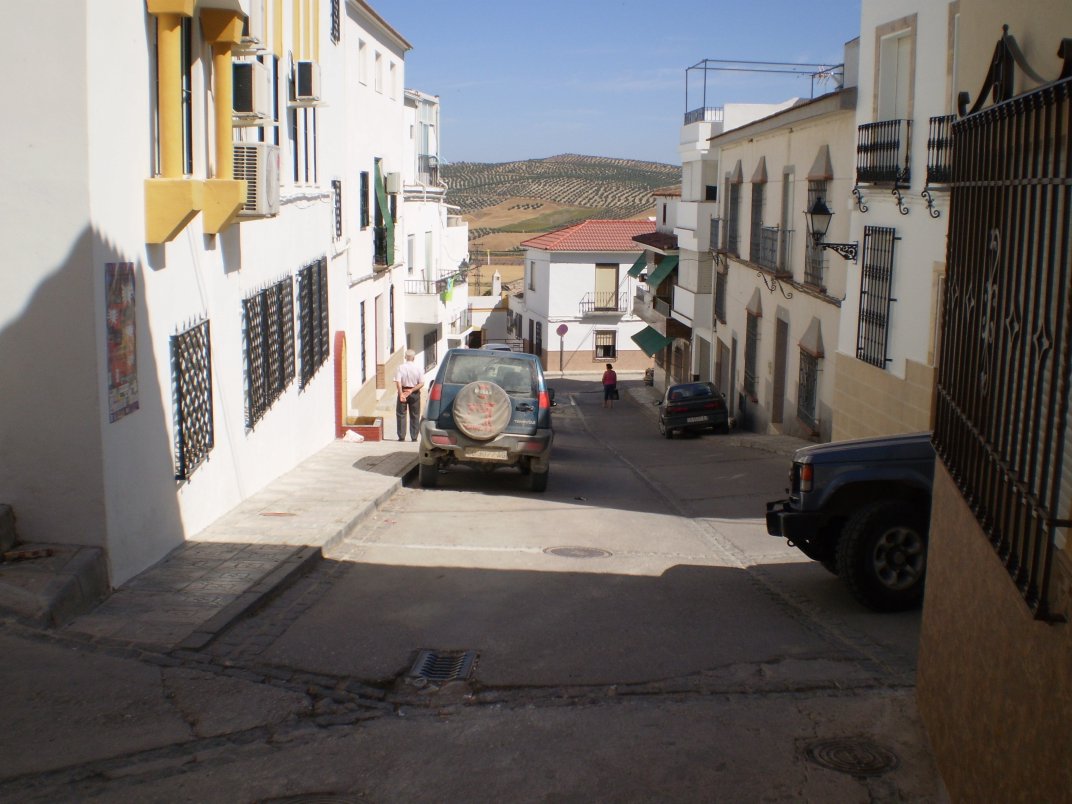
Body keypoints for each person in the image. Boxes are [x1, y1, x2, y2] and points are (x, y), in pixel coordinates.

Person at [394, 350, 424, 441]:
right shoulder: (418, 368)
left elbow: (398, 382)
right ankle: (414, 437)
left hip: (403, 390)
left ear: (405, 357)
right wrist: (411, 390)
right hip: (414, 393)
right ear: (414, 358)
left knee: (401, 414)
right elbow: (421, 383)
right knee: (415, 415)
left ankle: (401, 436)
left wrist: (401, 394)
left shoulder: (400, 367)